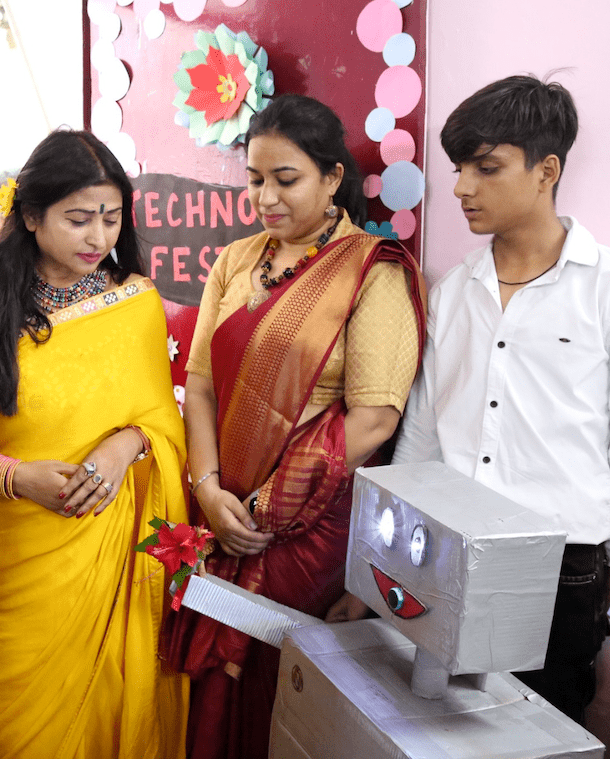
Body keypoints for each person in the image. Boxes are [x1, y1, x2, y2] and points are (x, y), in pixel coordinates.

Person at [393, 75, 610, 724]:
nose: (461, 187)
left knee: (538, 732)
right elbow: (424, 431)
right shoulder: (453, 292)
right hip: (446, 553)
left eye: (486, 167)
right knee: (434, 726)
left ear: (546, 170)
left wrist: (606, 565)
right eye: (458, 169)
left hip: (558, 570)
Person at [0, 129, 189, 759]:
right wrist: (12, 477)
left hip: (104, 546)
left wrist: (125, 447)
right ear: (31, 216)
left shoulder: (134, 302)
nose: (99, 237)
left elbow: (160, 422)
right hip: (4, 558)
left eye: (112, 219)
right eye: (79, 219)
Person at [161, 94, 427, 759]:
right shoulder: (235, 260)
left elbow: (374, 419)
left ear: (333, 177)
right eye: (255, 179)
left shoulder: (373, 270)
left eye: (286, 179)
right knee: (213, 691)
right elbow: (200, 385)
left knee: (279, 686)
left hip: (310, 524)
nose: (266, 198)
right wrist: (209, 489)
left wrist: (264, 509)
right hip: (223, 507)